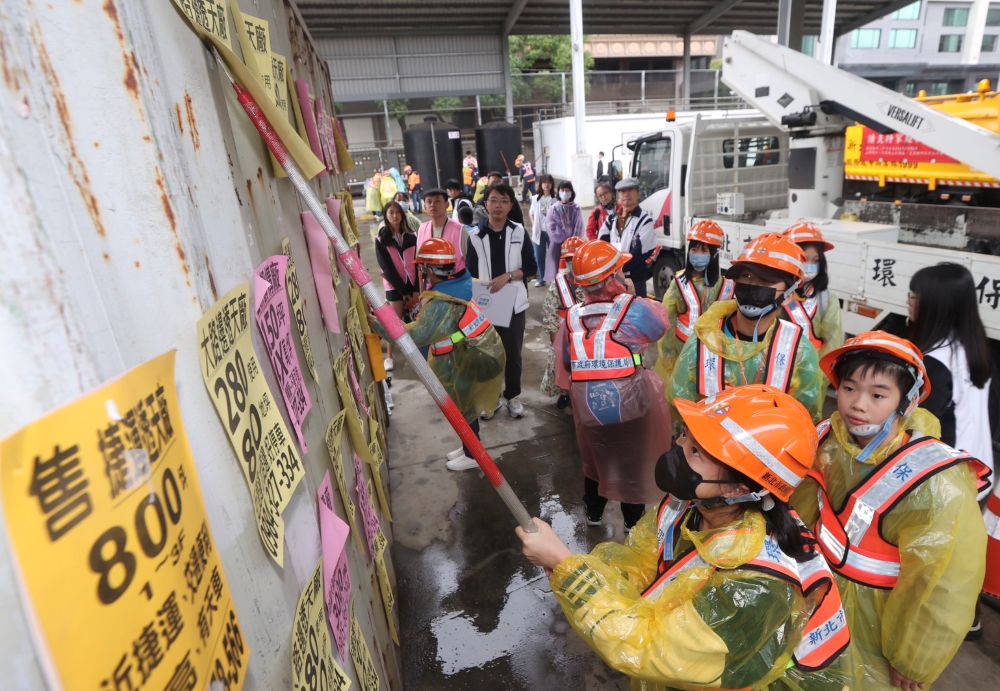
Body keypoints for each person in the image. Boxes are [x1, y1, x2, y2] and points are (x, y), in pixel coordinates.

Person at [517, 384, 851, 690]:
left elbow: (650, 648)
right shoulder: (690, 506)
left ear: (741, 488)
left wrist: (568, 568)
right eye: (685, 437)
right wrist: (574, 571)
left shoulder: (757, 587)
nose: (677, 450)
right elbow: (639, 566)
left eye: (696, 453)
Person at [791, 331, 990, 690]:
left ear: (908, 402)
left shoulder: (938, 481)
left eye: (878, 395)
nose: (857, 404)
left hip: (877, 627)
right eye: (849, 389)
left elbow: (942, 583)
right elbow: (800, 511)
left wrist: (914, 659)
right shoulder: (826, 440)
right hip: (815, 603)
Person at [563, 240, 672, 529]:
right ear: (612, 279)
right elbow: (661, 327)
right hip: (631, 408)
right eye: (621, 271)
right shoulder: (633, 311)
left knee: (596, 461)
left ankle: (593, 515)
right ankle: (631, 525)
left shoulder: (572, 318)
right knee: (632, 464)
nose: (625, 275)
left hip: (589, 410)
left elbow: (565, 361)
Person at [370, 238, 505, 472]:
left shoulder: (441, 302)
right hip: (472, 354)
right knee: (465, 405)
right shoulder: (460, 284)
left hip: (461, 359)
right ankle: (468, 447)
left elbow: (415, 335)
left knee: (463, 407)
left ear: (428, 269)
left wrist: (379, 324)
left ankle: (472, 454)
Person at [670, 233, 824, 421]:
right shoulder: (704, 341)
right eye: (746, 275)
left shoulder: (799, 352)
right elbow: (681, 409)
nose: (752, 285)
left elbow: (806, 419)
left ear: (790, 294)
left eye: (766, 280)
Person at [908, 263, 994, 479]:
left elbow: (919, 431)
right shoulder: (972, 347)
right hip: (976, 465)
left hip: (948, 477)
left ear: (936, 306)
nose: (909, 301)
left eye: (915, 296)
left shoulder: (935, 364)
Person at [467, 183, 537, 420]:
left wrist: (507, 277)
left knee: (512, 355)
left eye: (504, 201)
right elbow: (470, 273)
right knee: (488, 354)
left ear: (510, 206)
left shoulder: (518, 231)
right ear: (485, 204)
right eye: (494, 200)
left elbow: (531, 267)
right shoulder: (475, 236)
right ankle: (492, 398)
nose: (498, 206)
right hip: (486, 304)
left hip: (514, 303)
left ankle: (513, 396)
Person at [653, 220, 726, 398]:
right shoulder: (679, 283)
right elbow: (667, 320)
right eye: (694, 249)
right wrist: (668, 357)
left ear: (714, 254)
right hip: (681, 351)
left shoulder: (725, 285)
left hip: (713, 354)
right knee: (681, 394)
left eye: (704, 250)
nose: (697, 255)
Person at [782, 222, 843, 360]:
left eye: (815, 261)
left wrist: (818, 379)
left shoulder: (826, 298)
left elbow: (832, 344)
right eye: (803, 259)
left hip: (812, 374)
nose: (809, 266)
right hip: (776, 372)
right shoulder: (774, 291)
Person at [540, 236, 585, 409]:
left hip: (584, 334)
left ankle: (580, 395)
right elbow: (549, 310)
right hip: (563, 334)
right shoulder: (558, 284)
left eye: (576, 259)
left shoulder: (591, 281)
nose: (572, 263)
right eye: (569, 259)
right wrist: (553, 337)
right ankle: (565, 394)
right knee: (561, 365)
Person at [374, 201, 419, 371]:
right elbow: (387, 268)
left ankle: (417, 353)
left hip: (413, 284)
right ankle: (389, 356)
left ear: (403, 215)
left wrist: (415, 289)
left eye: (398, 212)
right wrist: (403, 292)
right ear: (385, 215)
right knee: (394, 321)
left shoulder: (411, 237)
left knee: (417, 320)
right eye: (391, 213)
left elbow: (417, 264)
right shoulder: (381, 240)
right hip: (394, 287)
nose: (395, 216)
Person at [599, 178, 657, 297]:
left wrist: (613, 267)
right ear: (618, 195)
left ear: (638, 194)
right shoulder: (611, 220)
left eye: (630, 190)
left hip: (635, 280)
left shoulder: (645, 221)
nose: (626, 194)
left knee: (637, 313)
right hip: (612, 279)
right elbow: (601, 244)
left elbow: (639, 255)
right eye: (622, 191)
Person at [417, 188, 468, 277]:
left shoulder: (460, 230)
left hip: (455, 285)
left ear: (447, 204)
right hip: (430, 286)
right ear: (425, 206)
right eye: (429, 202)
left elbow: (470, 261)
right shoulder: (422, 229)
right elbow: (420, 262)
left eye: (437, 201)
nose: (433, 205)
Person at [545, 181, 584, 280]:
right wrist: (562, 240)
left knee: (573, 270)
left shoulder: (576, 208)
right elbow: (551, 227)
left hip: (573, 246)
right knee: (557, 270)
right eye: (562, 190)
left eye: (567, 190)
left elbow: (579, 225)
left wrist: (573, 241)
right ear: (558, 192)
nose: (565, 193)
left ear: (572, 192)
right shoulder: (554, 208)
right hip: (557, 246)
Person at [528, 174, 557, 287]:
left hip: (552, 233)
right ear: (540, 184)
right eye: (544, 182)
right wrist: (534, 225)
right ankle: (542, 279)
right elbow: (531, 213)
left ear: (552, 184)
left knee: (553, 256)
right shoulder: (535, 198)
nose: (546, 185)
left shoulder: (555, 199)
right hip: (539, 232)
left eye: (549, 182)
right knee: (539, 256)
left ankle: (554, 278)